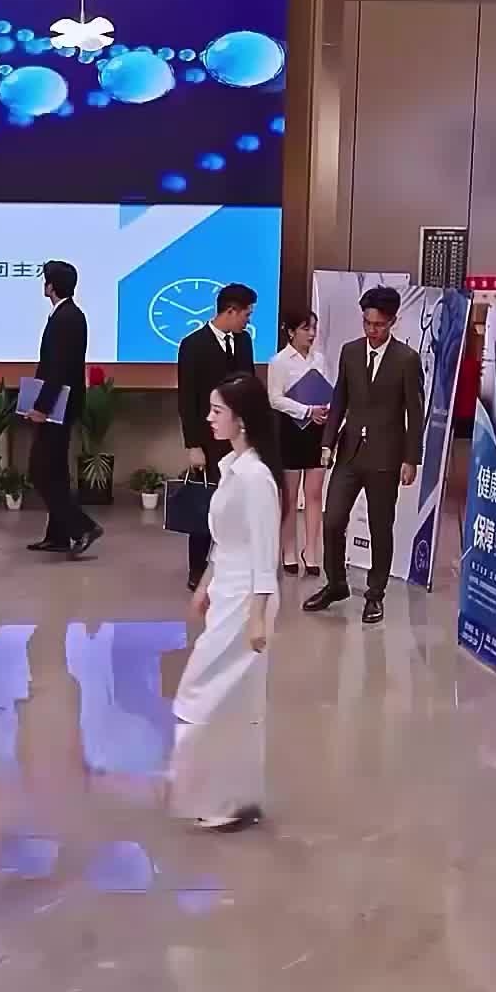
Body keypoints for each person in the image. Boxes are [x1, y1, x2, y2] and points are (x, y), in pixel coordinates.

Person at [167, 372, 282, 832]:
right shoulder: (231, 469)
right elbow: (225, 540)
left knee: (212, 693)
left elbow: (264, 553)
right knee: (222, 696)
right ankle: (228, 794)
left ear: (242, 420)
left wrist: (257, 617)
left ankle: (228, 797)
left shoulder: (256, 478)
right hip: (227, 593)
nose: (209, 418)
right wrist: (205, 585)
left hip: (246, 600)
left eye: (217, 411)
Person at [304, 285, 424, 627]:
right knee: (332, 520)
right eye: (367, 323)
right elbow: (340, 399)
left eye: (379, 325)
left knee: (380, 527)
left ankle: (375, 594)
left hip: (386, 456)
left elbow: (415, 413)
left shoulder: (406, 359)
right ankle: (336, 584)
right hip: (349, 452)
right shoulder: (350, 352)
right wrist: (327, 443)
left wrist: (411, 459)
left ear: (393, 322)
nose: (372, 330)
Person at [176, 282, 257, 591]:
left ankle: (231, 566)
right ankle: (197, 568)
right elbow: (187, 399)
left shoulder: (244, 342)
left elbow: (249, 385)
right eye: (246, 314)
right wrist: (193, 445)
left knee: (237, 504)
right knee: (206, 503)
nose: (248, 320)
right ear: (231, 311)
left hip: (239, 440)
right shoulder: (193, 344)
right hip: (208, 439)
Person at [25, 260, 102, 558]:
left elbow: (58, 369)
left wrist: (42, 407)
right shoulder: (68, 315)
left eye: (45, 280)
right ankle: (57, 536)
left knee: (41, 471)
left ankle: (82, 527)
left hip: (57, 408)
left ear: (51, 286)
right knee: (55, 473)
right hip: (60, 405)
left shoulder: (66, 318)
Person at [267, 306, 330, 576]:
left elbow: (328, 389)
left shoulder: (320, 359)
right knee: (290, 497)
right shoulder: (279, 361)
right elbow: (274, 398)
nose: (311, 334)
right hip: (291, 431)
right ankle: (289, 549)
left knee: (314, 494)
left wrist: (325, 410)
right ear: (291, 332)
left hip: (317, 430)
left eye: (313, 328)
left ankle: (312, 551)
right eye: (306, 328)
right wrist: (305, 411)